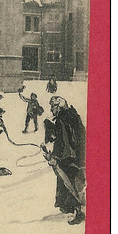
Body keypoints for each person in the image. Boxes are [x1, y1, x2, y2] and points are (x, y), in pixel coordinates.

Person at [42, 96, 86, 225]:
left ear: (59, 106)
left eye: (53, 107)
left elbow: (64, 141)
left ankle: (76, 211)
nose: (51, 109)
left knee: (69, 182)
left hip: (69, 157)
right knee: (70, 181)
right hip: (77, 155)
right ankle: (69, 208)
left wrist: (55, 157)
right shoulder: (72, 115)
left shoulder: (63, 118)